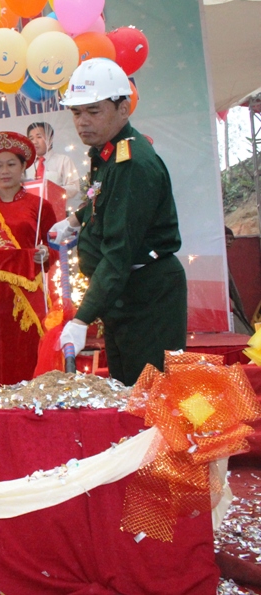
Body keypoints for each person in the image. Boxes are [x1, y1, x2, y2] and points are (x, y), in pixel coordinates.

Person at [51, 57, 186, 386]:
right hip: (124, 294)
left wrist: (83, 318)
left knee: (149, 401)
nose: (82, 122)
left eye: (94, 111)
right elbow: (104, 197)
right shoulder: (108, 152)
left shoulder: (132, 164)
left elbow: (118, 252)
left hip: (146, 296)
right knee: (125, 392)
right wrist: (75, 218)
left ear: (123, 109)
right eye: (76, 112)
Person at [0, 131, 57, 386]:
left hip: (28, 294)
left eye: (11, 164)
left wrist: (45, 254)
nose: (4, 171)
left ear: (23, 167)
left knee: (28, 354)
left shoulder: (40, 206)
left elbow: (56, 247)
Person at [23, 122, 81, 206]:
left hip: (56, 211)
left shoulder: (63, 160)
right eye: (31, 138)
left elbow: (74, 188)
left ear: (50, 138)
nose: (34, 142)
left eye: (39, 137)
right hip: (31, 211)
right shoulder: (26, 164)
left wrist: (51, 190)